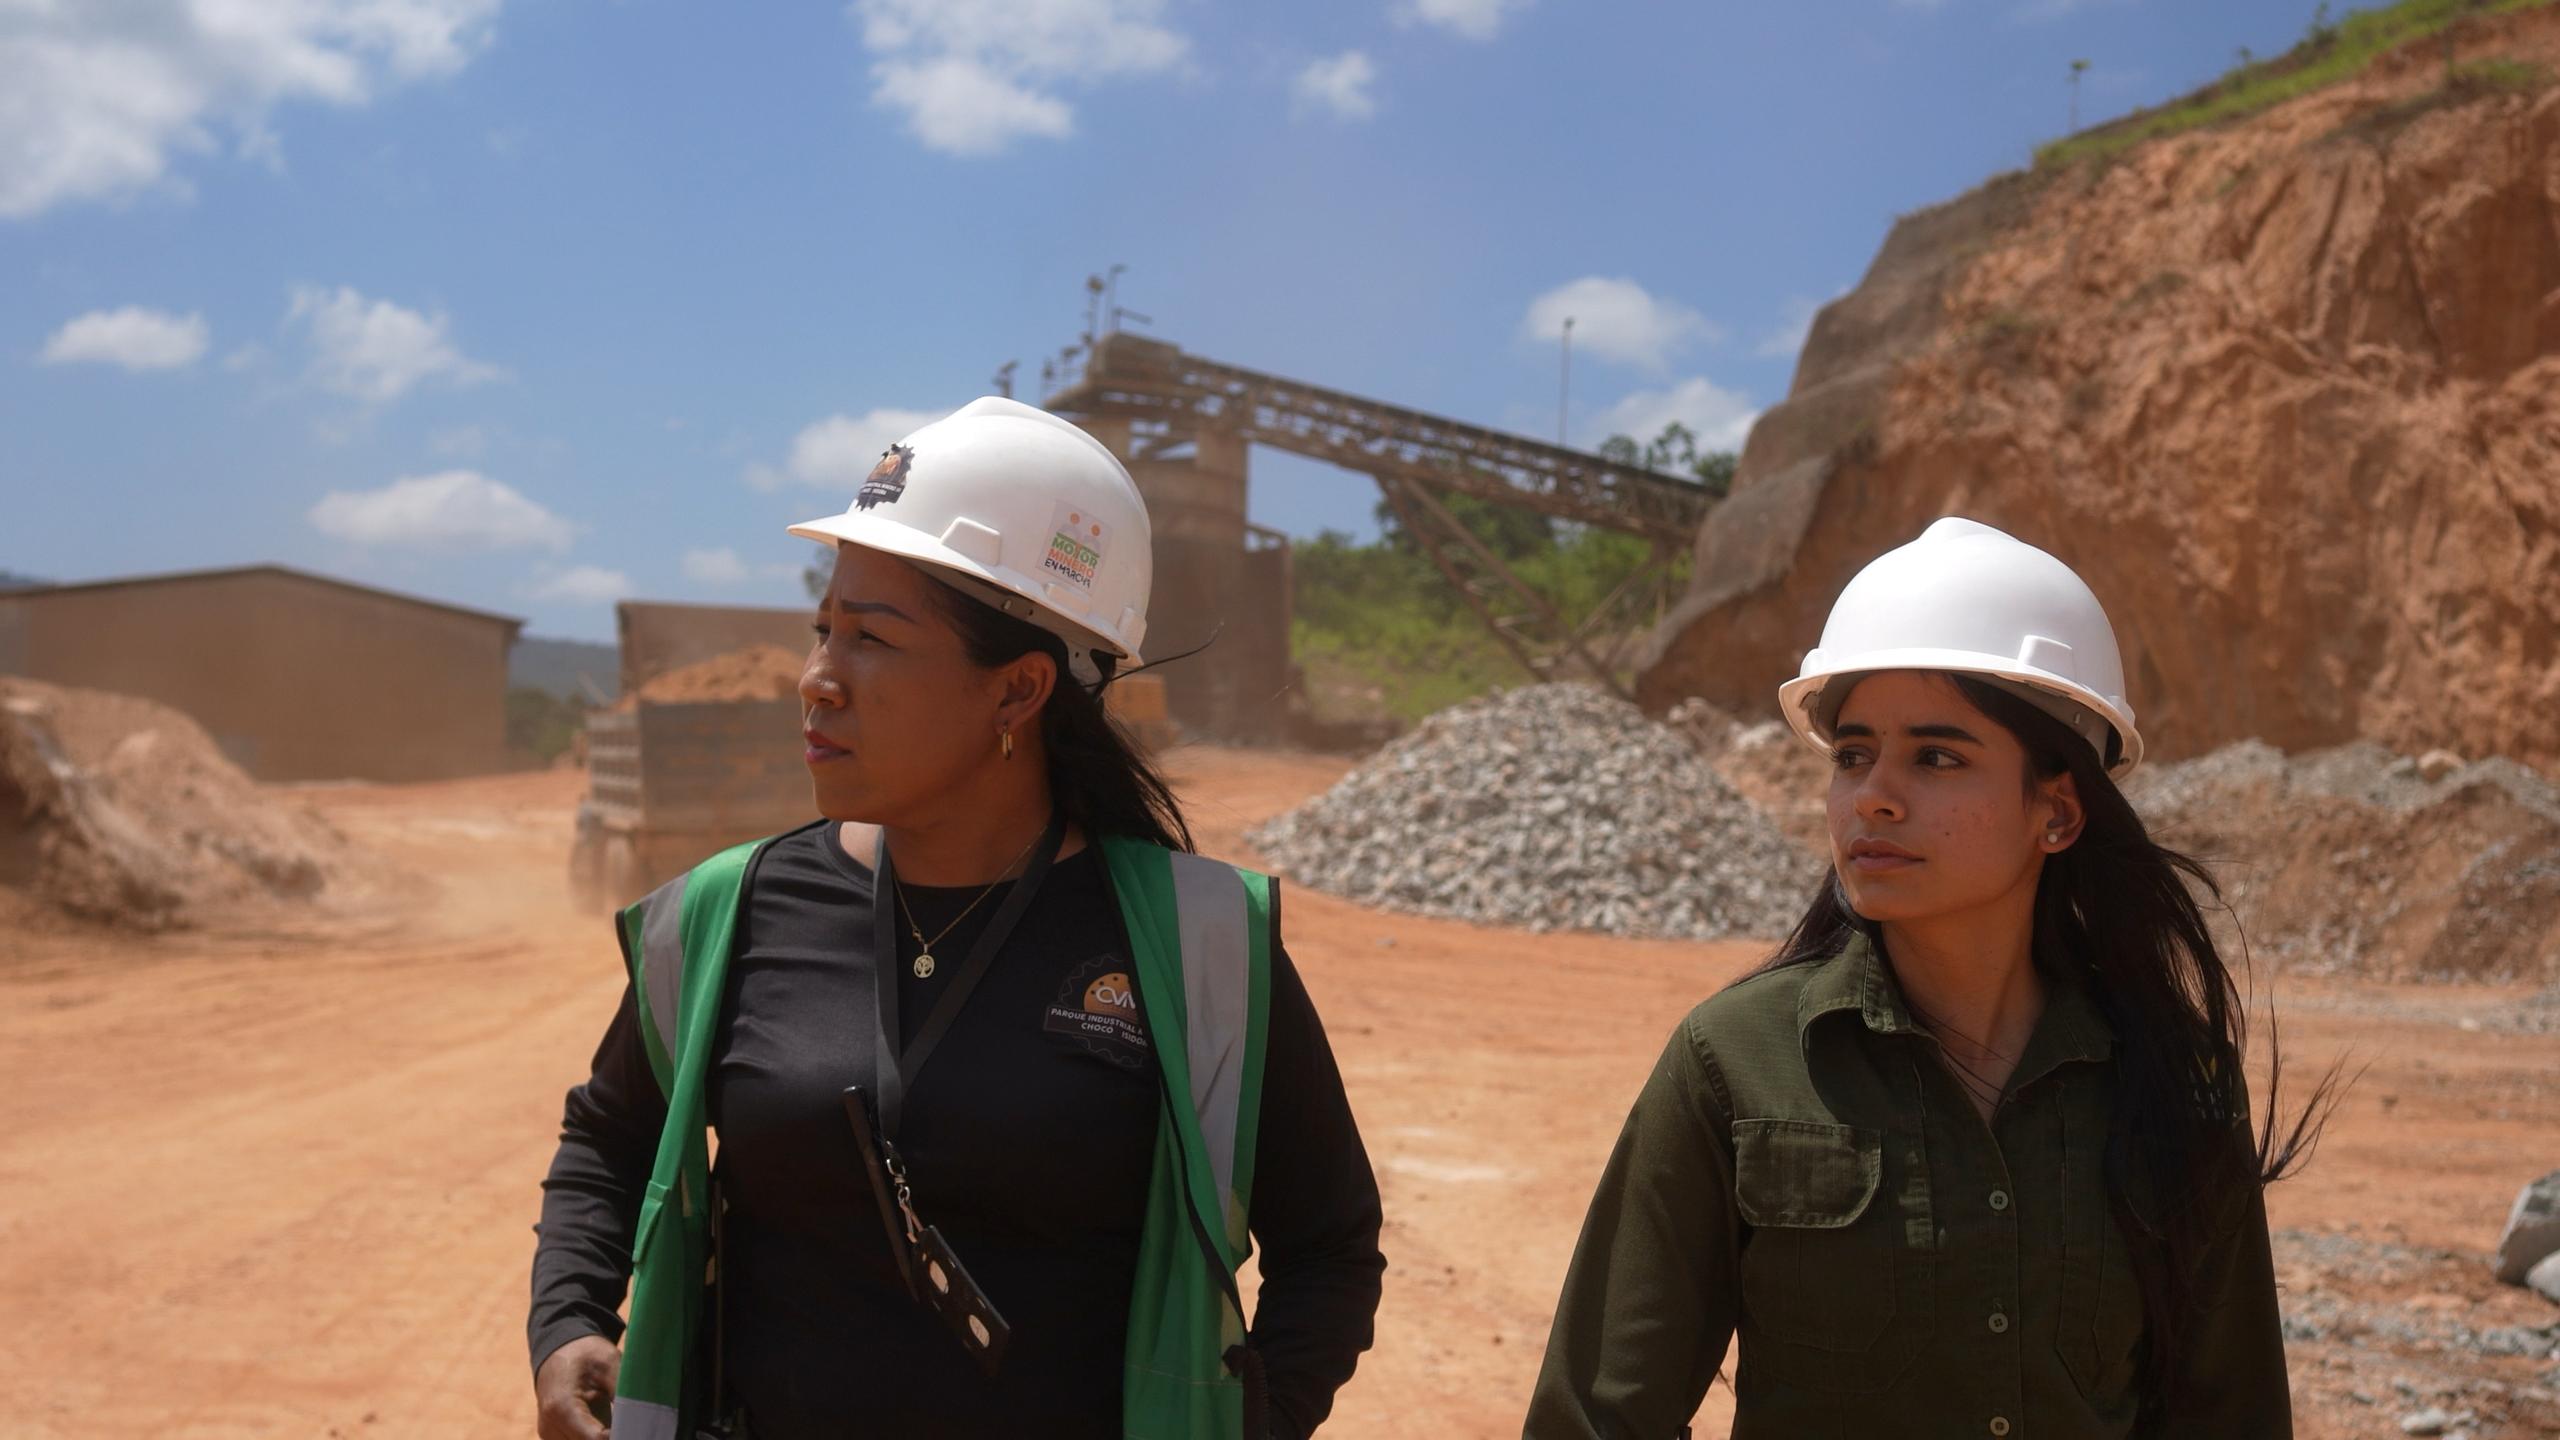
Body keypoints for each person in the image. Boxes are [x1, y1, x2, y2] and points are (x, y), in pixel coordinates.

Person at [528, 397, 1385, 1440]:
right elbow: (612, 1136)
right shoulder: (728, 914)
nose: (817, 680)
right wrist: (570, 1316)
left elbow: (1329, 1245)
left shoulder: (1196, 946)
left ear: (1018, 691)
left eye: (871, 639)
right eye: (822, 630)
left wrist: (1246, 1423)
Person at [1524, 517, 2336, 1438]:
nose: (1873, 794)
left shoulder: (2175, 1083)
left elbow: (2233, 1418)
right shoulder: (1735, 1062)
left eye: (1938, 757)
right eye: (1853, 755)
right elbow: (1596, 1418)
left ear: (2058, 812)